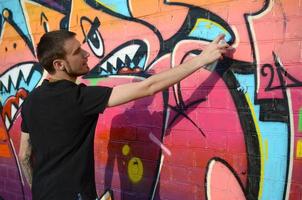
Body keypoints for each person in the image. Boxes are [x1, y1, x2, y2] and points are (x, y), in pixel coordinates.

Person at [18, 30, 229, 200]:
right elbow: (149, 86)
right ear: (59, 64)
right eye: (77, 52)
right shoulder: (79, 98)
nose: (86, 54)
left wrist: (38, 189)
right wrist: (201, 59)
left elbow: (24, 155)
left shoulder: (30, 102)